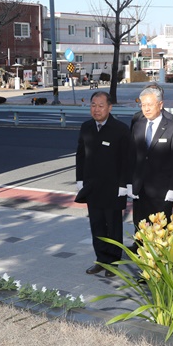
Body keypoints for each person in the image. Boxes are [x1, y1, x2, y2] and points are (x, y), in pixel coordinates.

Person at [75, 91, 130, 278]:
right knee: (96, 225)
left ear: (109, 107)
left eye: (100, 106)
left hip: (114, 188)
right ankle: (101, 260)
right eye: (93, 105)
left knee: (113, 226)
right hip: (92, 187)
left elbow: (127, 159)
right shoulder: (86, 127)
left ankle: (113, 263)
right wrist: (80, 179)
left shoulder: (120, 129)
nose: (96, 109)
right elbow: (80, 154)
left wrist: (124, 184)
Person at [127, 84, 173, 245]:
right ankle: (142, 265)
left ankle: (159, 268)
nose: (146, 108)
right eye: (143, 105)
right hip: (140, 188)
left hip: (162, 190)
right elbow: (131, 156)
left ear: (160, 104)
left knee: (159, 233)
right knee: (141, 230)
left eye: (149, 105)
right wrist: (129, 183)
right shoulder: (138, 126)